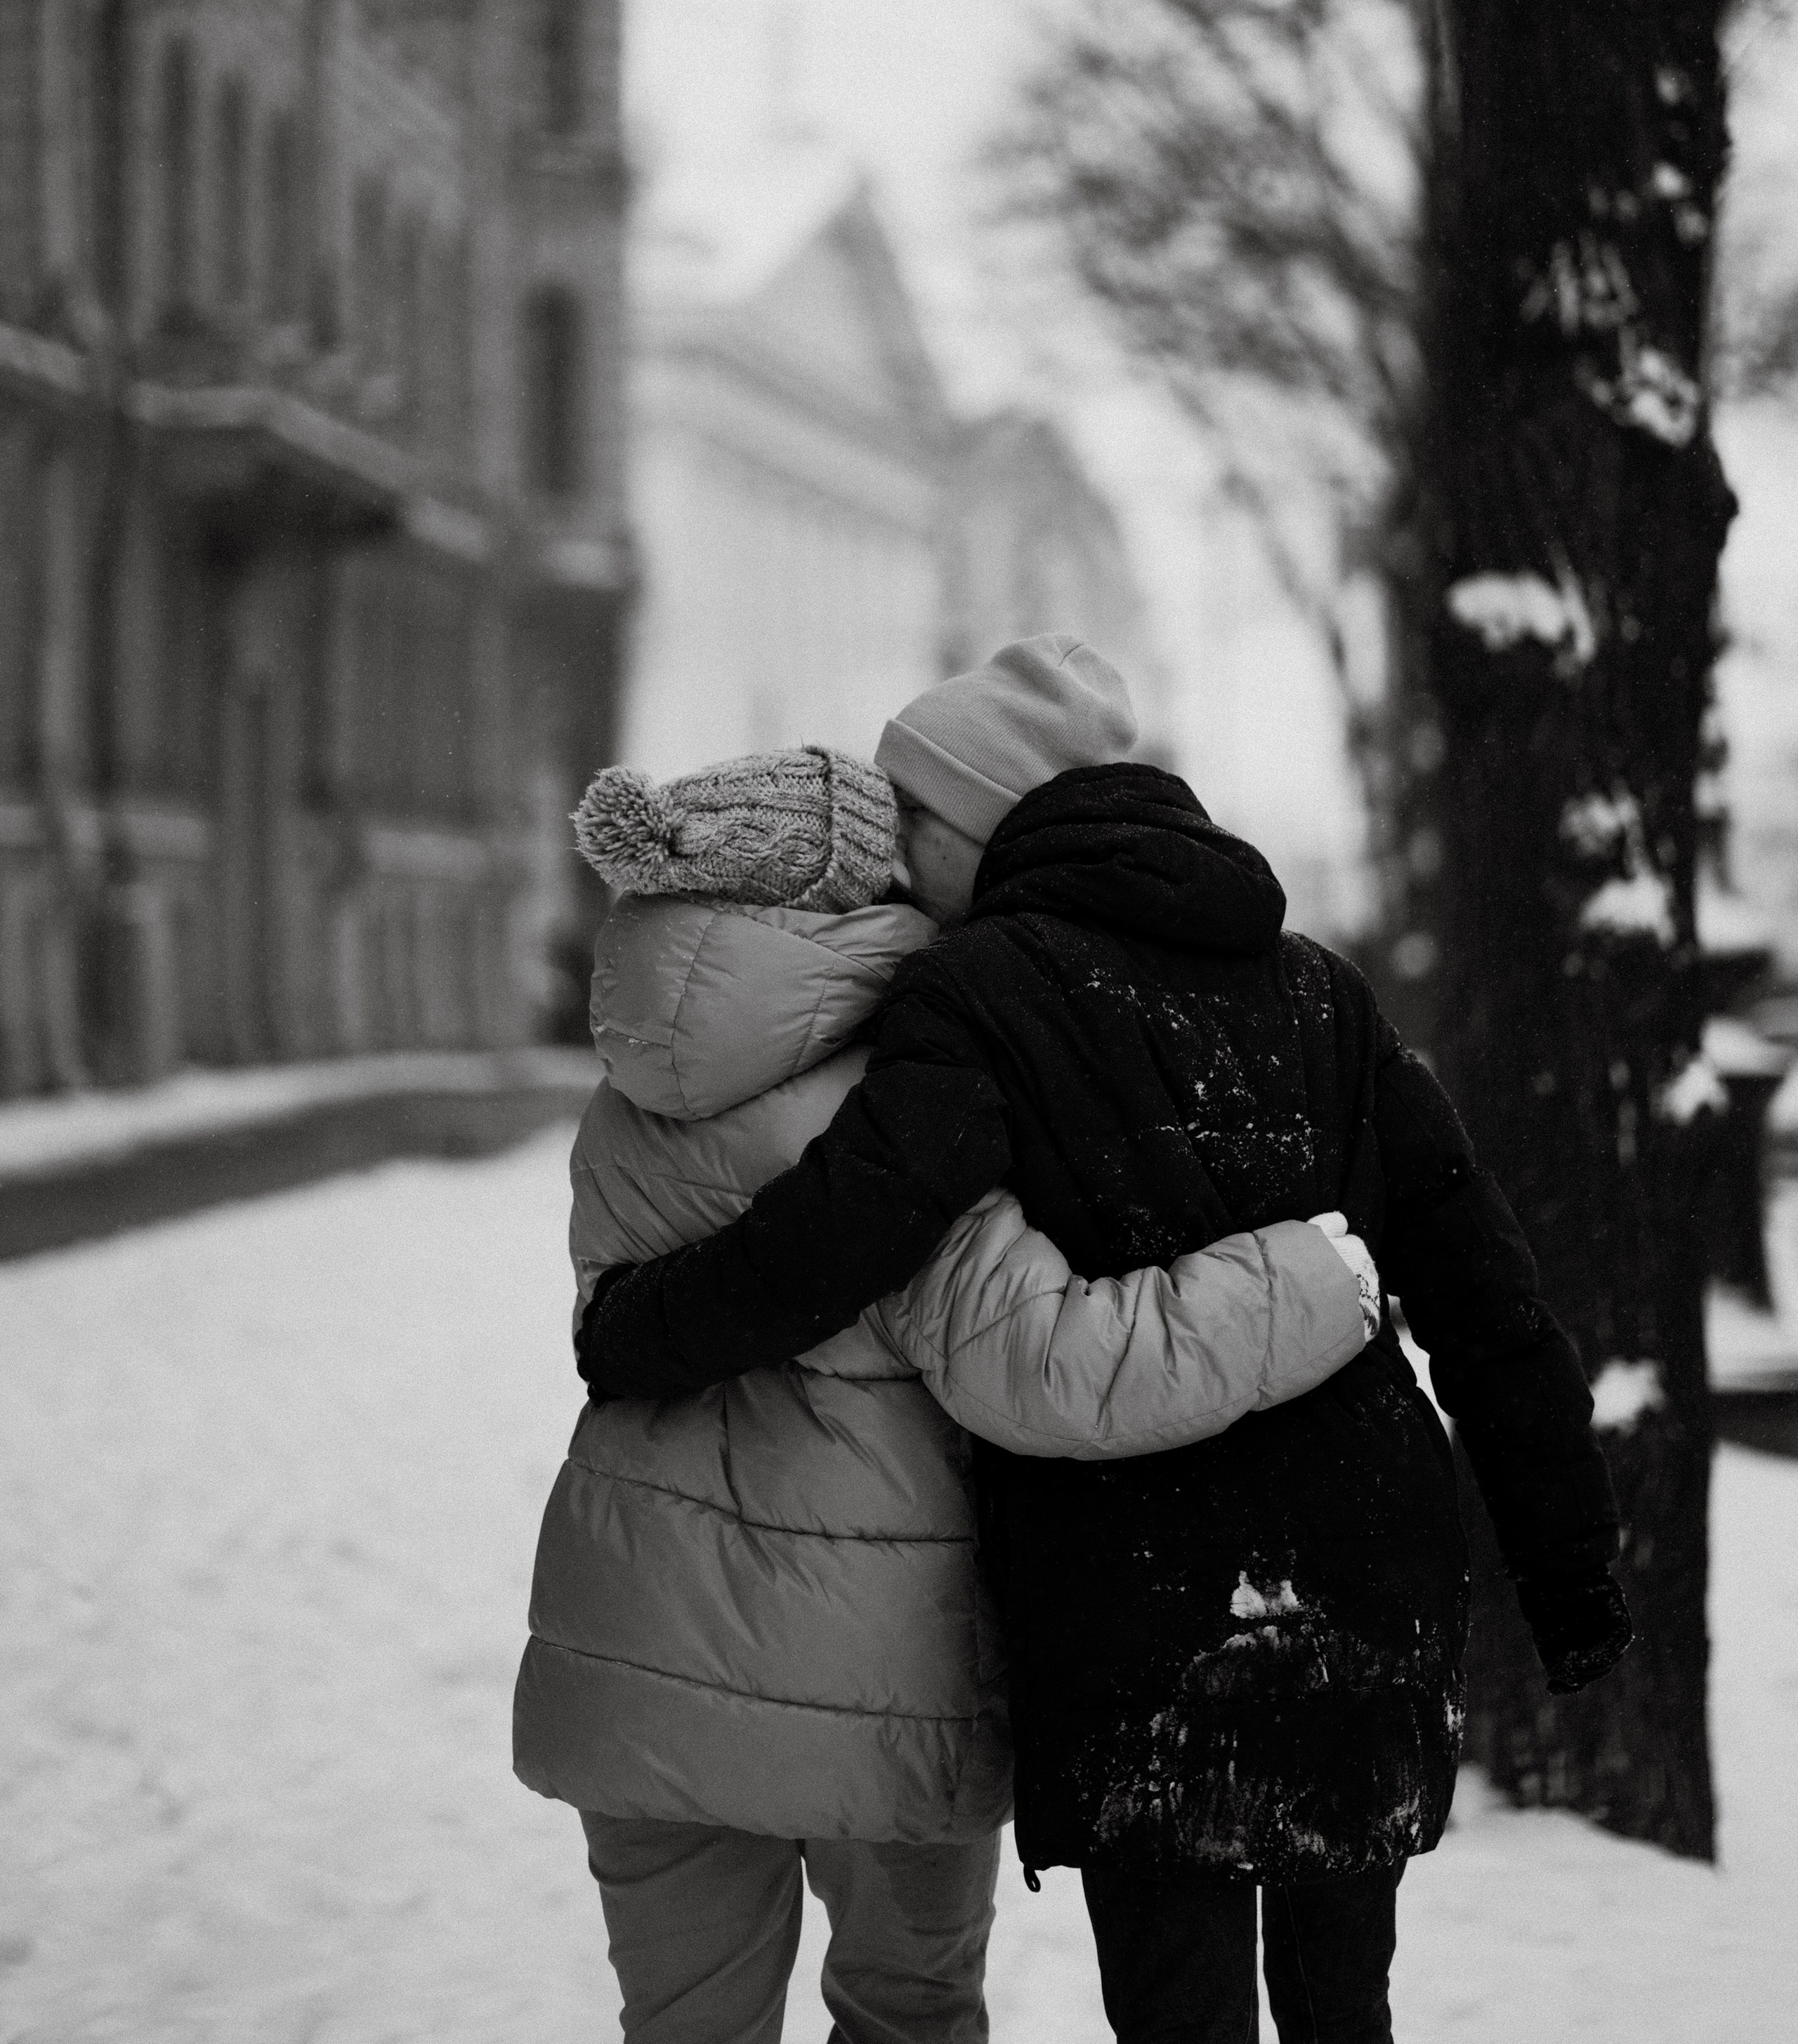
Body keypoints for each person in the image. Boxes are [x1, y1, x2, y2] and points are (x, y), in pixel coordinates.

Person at [577, 637, 1634, 2044]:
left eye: (917, 821)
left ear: (989, 825)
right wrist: (1567, 1569)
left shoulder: (975, 991)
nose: (898, 857)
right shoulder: (1321, 987)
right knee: (1343, 2003)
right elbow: (1484, 1297)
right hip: (1368, 1564)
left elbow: (851, 1224)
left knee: (1174, 2004)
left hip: (1138, 1585)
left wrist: (639, 1329)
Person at [515, 739, 1380, 2044]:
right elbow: (1049, 1367)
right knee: (908, 2016)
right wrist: (1305, 1281)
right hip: (884, 1666)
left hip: (635, 1641)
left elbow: (626, 1319)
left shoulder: (628, 1096)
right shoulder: (911, 1101)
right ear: (867, 897)